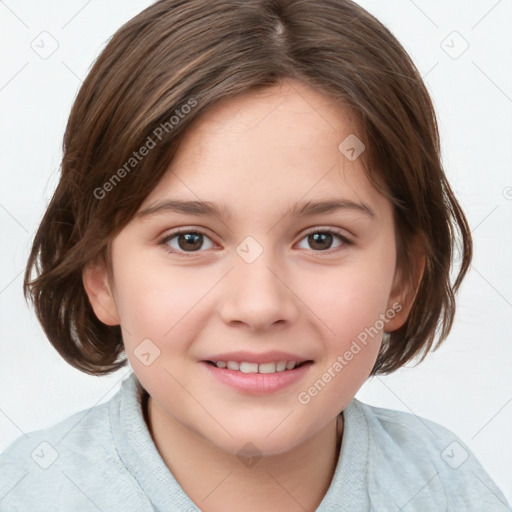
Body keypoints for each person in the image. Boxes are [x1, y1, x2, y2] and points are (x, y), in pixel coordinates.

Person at [0, 0, 509, 510]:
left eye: (322, 239)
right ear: (100, 276)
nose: (259, 305)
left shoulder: (449, 489)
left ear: (402, 281)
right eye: (190, 240)